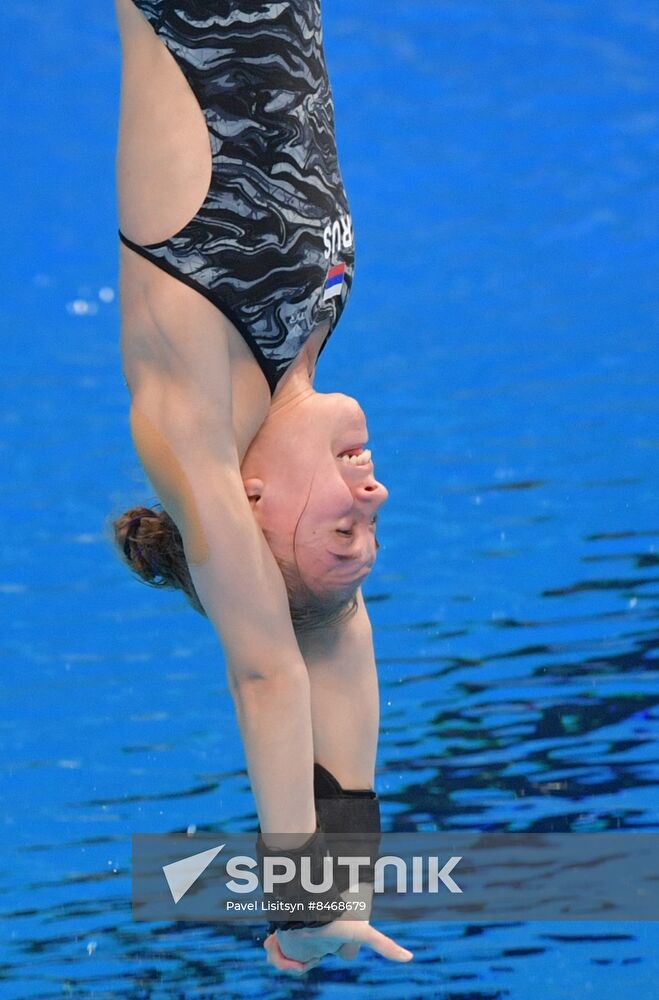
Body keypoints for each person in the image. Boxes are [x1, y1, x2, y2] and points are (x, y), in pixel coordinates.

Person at [112, 0, 413, 973]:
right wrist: (353, 872)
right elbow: (334, 634)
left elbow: (271, 670)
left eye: (341, 532)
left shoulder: (188, 417)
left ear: (252, 513)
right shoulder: (299, 353)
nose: (371, 498)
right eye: (366, 529)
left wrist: (306, 906)